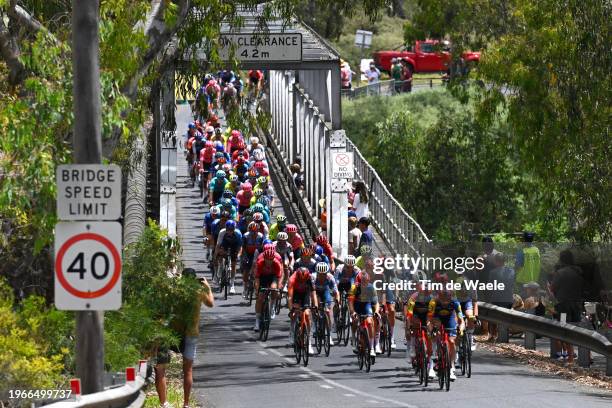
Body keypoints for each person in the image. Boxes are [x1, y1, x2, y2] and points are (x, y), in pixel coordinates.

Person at [155, 269, 214, 408]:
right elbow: (211, 303)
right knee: (187, 371)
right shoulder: (199, 292)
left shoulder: (175, 291)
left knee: (161, 367)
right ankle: (186, 404)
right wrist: (208, 287)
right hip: (191, 333)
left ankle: (164, 403)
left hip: (173, 331)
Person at [550, 250, 584, 364]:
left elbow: (553, 289)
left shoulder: (560, 273)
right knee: (577, 330)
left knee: (564, 329)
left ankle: (570, 357)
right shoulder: (579, 272)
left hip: (563, 306)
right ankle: (585, 354)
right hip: (577, 305)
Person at [487, 252, 515, 341]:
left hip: (497, 299)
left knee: (492, 316)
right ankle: (503, 336)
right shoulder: (512, 271)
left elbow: (489, 286)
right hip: (508, 299)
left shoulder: (493, 272)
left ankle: (493, 335)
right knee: (505, 317)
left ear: (496, 261)